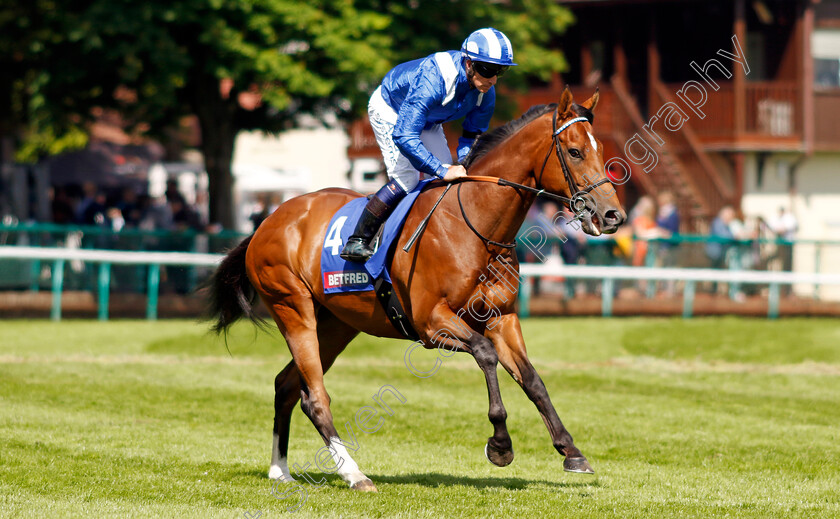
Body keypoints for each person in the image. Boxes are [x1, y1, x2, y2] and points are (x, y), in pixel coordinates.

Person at [340, 28, 517, 262]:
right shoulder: (435, 78)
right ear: (468, 63)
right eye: (488, 70)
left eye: (500, 71)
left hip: (427, 120)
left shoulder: (486, 92)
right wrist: (443, 169)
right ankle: (358, 239)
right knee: (408, 178)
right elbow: (404, 136)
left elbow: (472, 135)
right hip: (391, 111)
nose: (493, 79)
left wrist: (465, 166)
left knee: (450, 180)